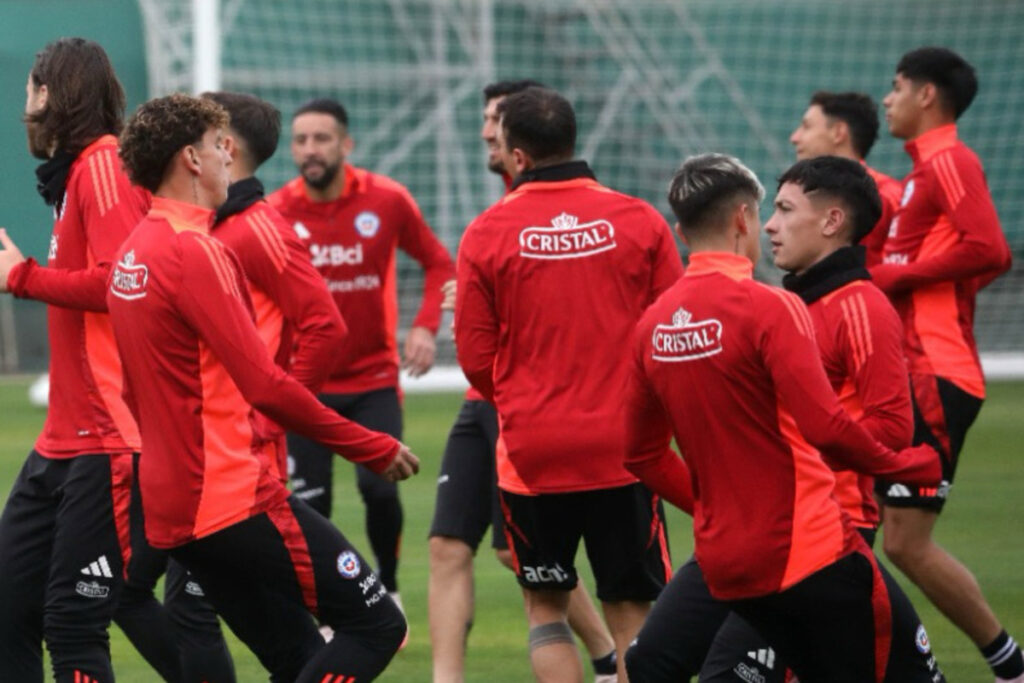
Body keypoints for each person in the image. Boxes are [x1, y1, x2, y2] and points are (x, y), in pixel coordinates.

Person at [109, 92, 419, 682]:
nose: (230, 160)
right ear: (192, 160)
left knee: (295, 656)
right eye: (218, 148)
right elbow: (266, 386)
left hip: (175, 504)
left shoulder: (131, 254)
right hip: (230, 496)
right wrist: (369, 445)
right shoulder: (197, 250)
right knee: (380, 625)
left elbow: (132, 391)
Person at [623, 153, 945, 682]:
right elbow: (828, 429)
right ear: (743, 220)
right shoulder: (774, 307)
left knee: (661, 661)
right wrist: (907, 466)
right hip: (807, 545)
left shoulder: (653, 325)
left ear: (680, 231)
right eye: (768, 210)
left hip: (738, 550)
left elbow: (639, 453)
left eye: (785, 209)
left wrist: (713, 503)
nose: (771, 224)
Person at [455, 86, 681, 682]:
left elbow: (477, 359)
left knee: (546, 609)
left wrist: (529, 397)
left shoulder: (486, 232)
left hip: (533, 453)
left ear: (518, 156)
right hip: (626, 452)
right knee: (632, 613)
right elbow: (670, 336)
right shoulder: (641, 220)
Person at [428, 79, 618, 683]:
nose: (486, 130)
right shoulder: (494, 221)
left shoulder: (551, 217)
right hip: (485, 400)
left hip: (529, 406)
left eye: (495, 120)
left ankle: (610, 655)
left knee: (525, 559)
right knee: (446, 546)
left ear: (520, 147)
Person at [871, 46, 1021, 682]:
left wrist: (894, 277)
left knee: (900, 540)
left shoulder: (951, 160)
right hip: (915, 370)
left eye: (898, 85)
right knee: (866, 529)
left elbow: (990, 247)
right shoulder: (918, 175)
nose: (889, 98)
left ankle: (999, 665)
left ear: (927, 95)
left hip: (932, 376)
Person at [0, 38, 147, 683]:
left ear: (52, 94)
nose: (23, 107)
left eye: (30, 91)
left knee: (73, 626)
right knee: (7, 610)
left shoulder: (104, 166)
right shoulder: (74, 179)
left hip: (107, 439)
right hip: (63, 442)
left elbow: (121, 283)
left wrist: (22, 277)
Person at [269, 98, 455, 603]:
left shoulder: (387, 200)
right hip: (305, 384)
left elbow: (440, 264)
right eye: (302, 139)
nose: (311, 149)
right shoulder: (277, 211)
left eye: (322, 139)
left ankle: (389, 587)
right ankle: (326, 604)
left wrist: (424, 326)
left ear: (346, 145)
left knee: (379, 488)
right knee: (311, 502)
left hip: (374, 378)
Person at [789, 91, 903, 265]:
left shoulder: (889, 195)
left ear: (838, 132)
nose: (794, 138)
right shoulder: (806, 193)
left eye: (807, 126)